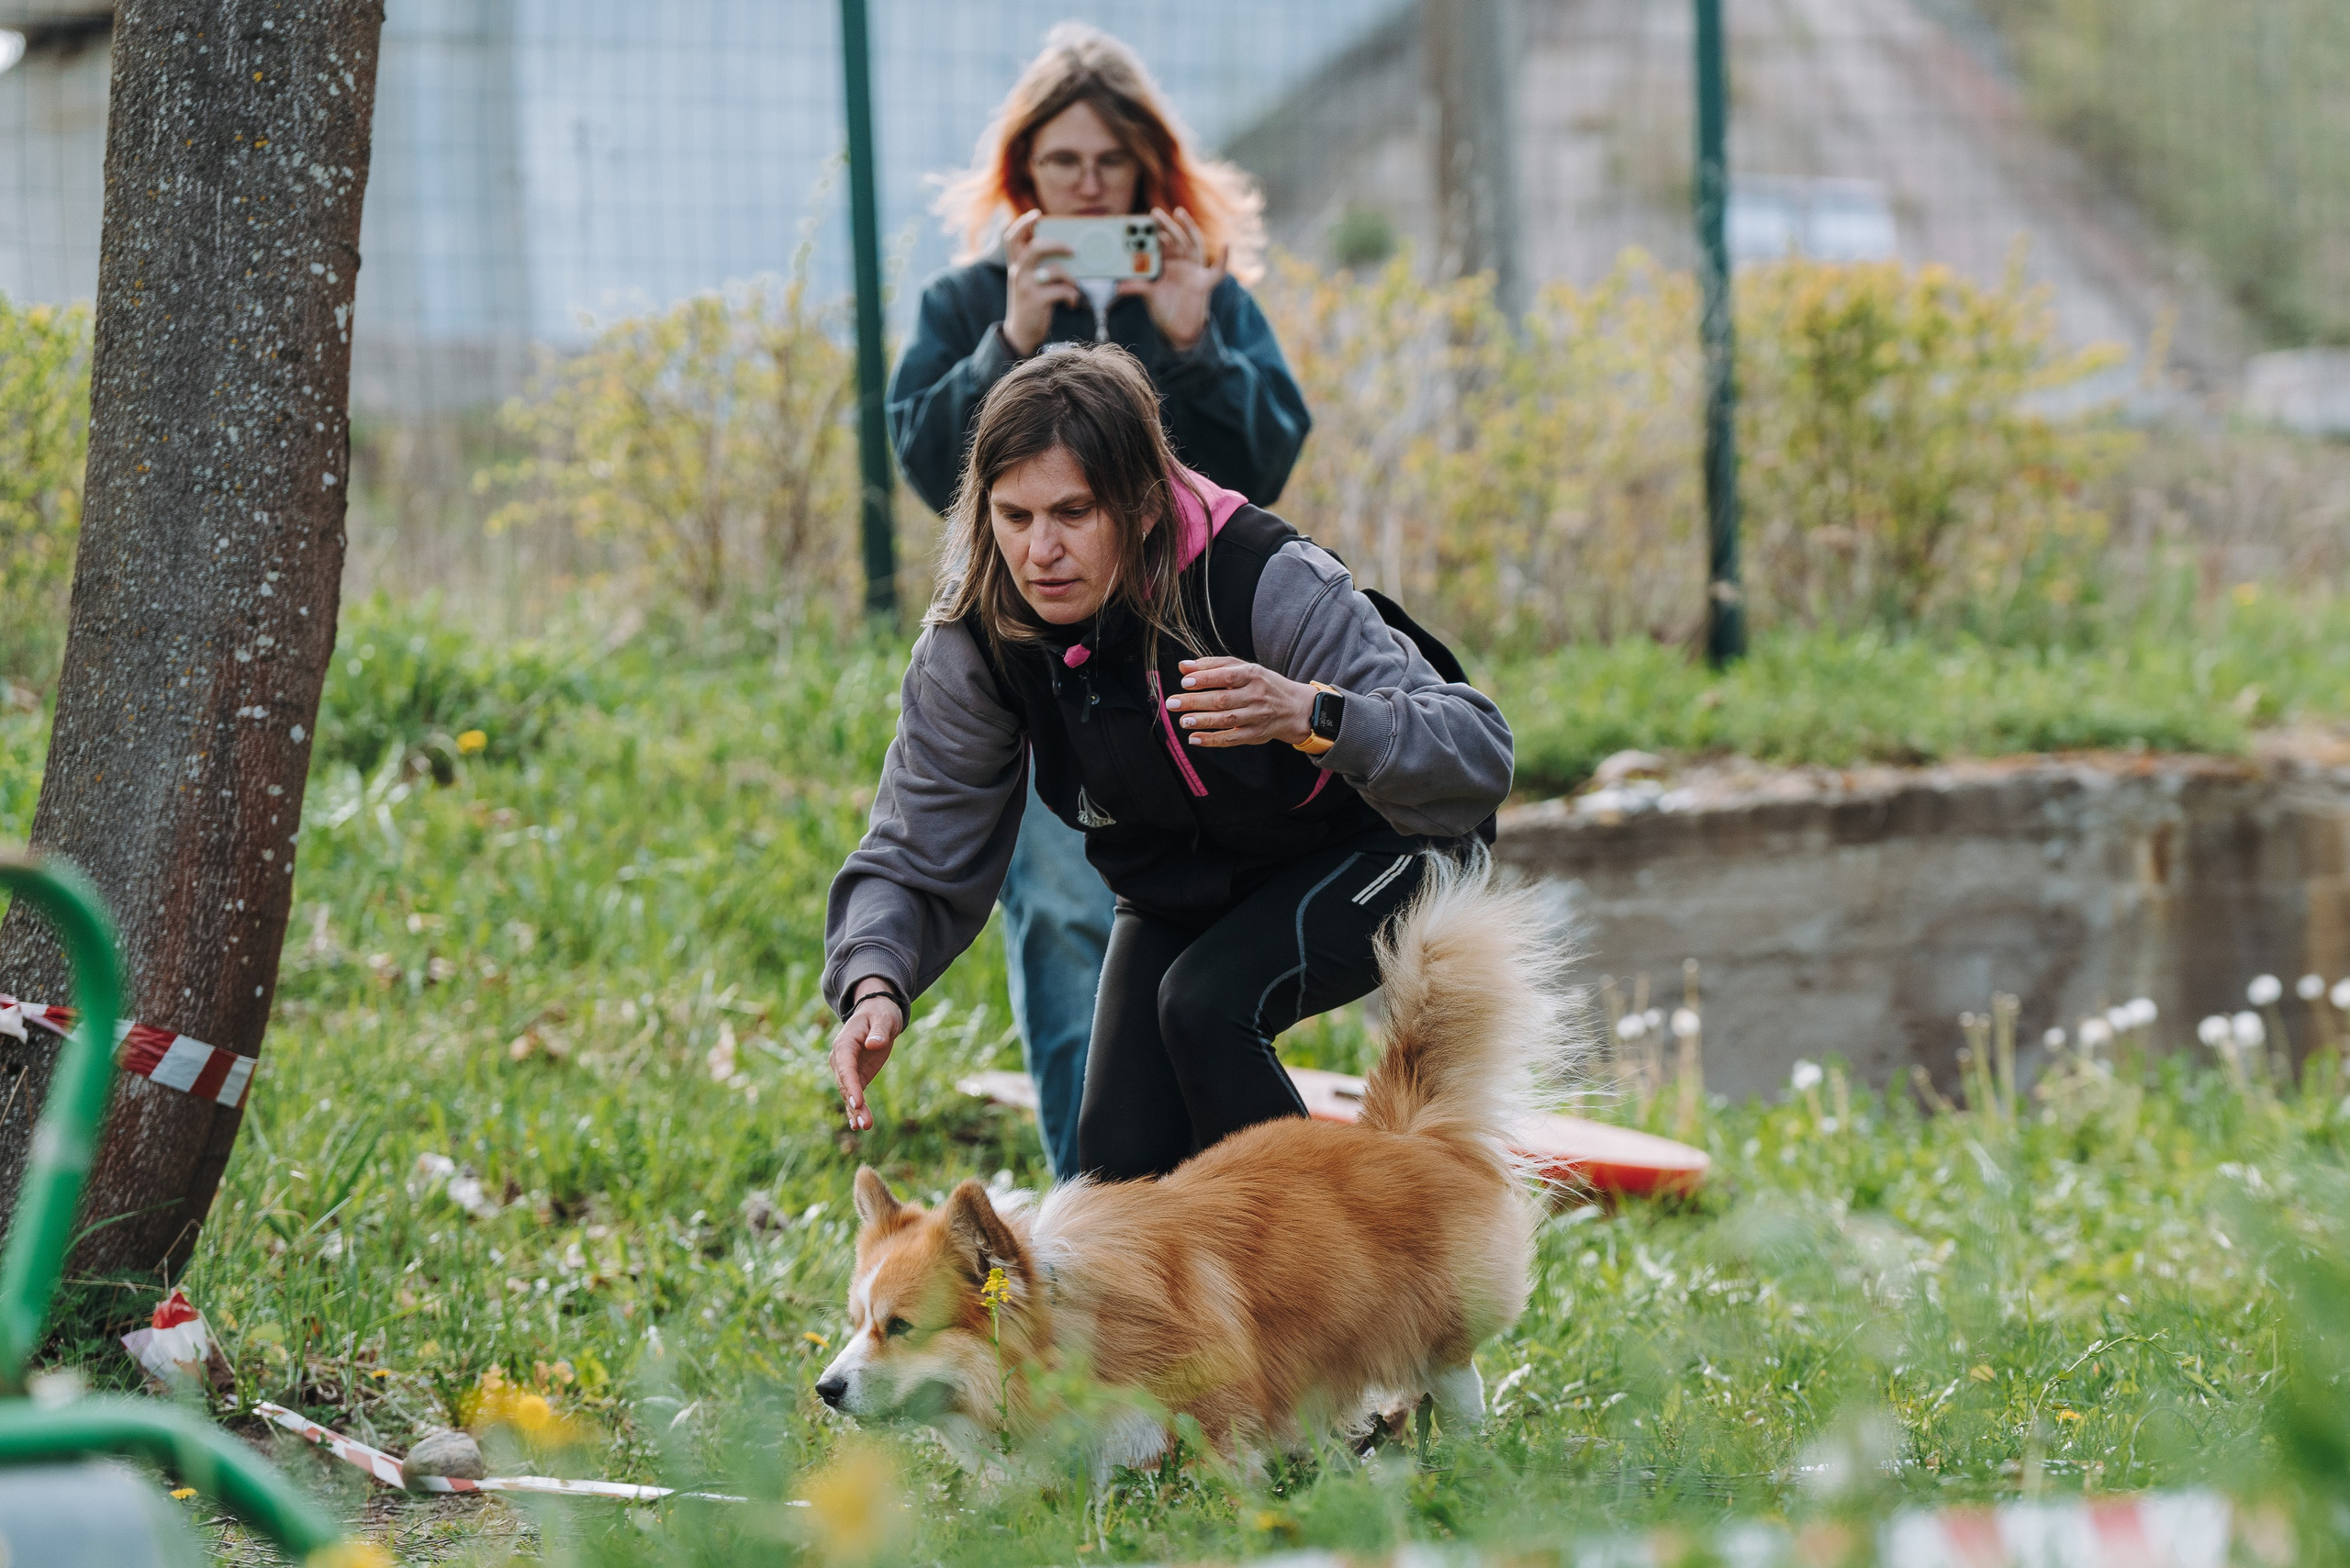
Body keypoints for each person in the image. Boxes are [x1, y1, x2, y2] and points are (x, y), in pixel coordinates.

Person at [827, 345, 1508, 1183]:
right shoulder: (979, 638)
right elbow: (915, 839)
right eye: (1015, 516)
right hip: (1182, 879)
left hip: (1385, 843)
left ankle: (1350, 1286)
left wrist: (1313, 716)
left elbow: (1477, 749)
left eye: (1074, 513)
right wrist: (874, 985)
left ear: (1146, 507)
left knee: (1207, 1005)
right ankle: (1222, 1308)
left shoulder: (1261, 579)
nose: (1041, 550)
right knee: (1115, 1174)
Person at [886, 24, 1312, 1179]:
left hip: (1196, 667)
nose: (1085, 185)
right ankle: (1092, 1209)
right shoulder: (971, 299)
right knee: (1065, 914)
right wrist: (1009, 339)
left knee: (1188, 937)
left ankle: (1210, 1207)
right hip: (1046, 675)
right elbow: (932, 468)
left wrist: (1191, 339)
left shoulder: (1204, 297)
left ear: (1146, 177)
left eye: (1107, 166)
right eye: (1061, 164)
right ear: (1023, 178)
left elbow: (1259, 470)